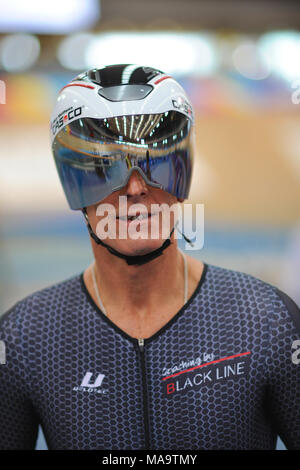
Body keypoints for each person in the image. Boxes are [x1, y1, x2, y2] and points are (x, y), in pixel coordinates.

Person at [0, 64, 299, 450]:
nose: (137, 188)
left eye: (157, 161)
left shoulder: (267, 321)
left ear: (184, 173)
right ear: (74, 183)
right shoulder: (25, 338)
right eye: (105, 167)